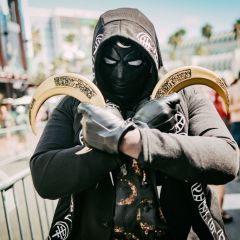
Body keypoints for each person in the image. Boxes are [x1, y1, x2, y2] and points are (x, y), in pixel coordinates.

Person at [30, 8, 239, 240]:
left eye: (134, 61)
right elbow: (44, 176)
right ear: (96, 59)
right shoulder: (76, 103)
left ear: (152, 57)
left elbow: (226, 159)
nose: (120, 74)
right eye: (109, 61)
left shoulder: (184, 95)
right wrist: (119, 143)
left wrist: (139, 141)